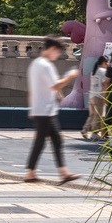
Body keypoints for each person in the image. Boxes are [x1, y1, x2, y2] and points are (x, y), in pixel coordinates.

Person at [23, 37, 81, 184]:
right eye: (58, 52)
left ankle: (59, 172)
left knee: (53, 141)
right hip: (46, 110)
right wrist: (70, 76)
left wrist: (32, 108)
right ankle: (32, 173)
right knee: (45, 141)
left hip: (41, 109)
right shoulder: (46, 65)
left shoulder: (35, 64)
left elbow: (36, 88)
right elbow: (55, 85)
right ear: (52, 49)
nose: (58, 55)